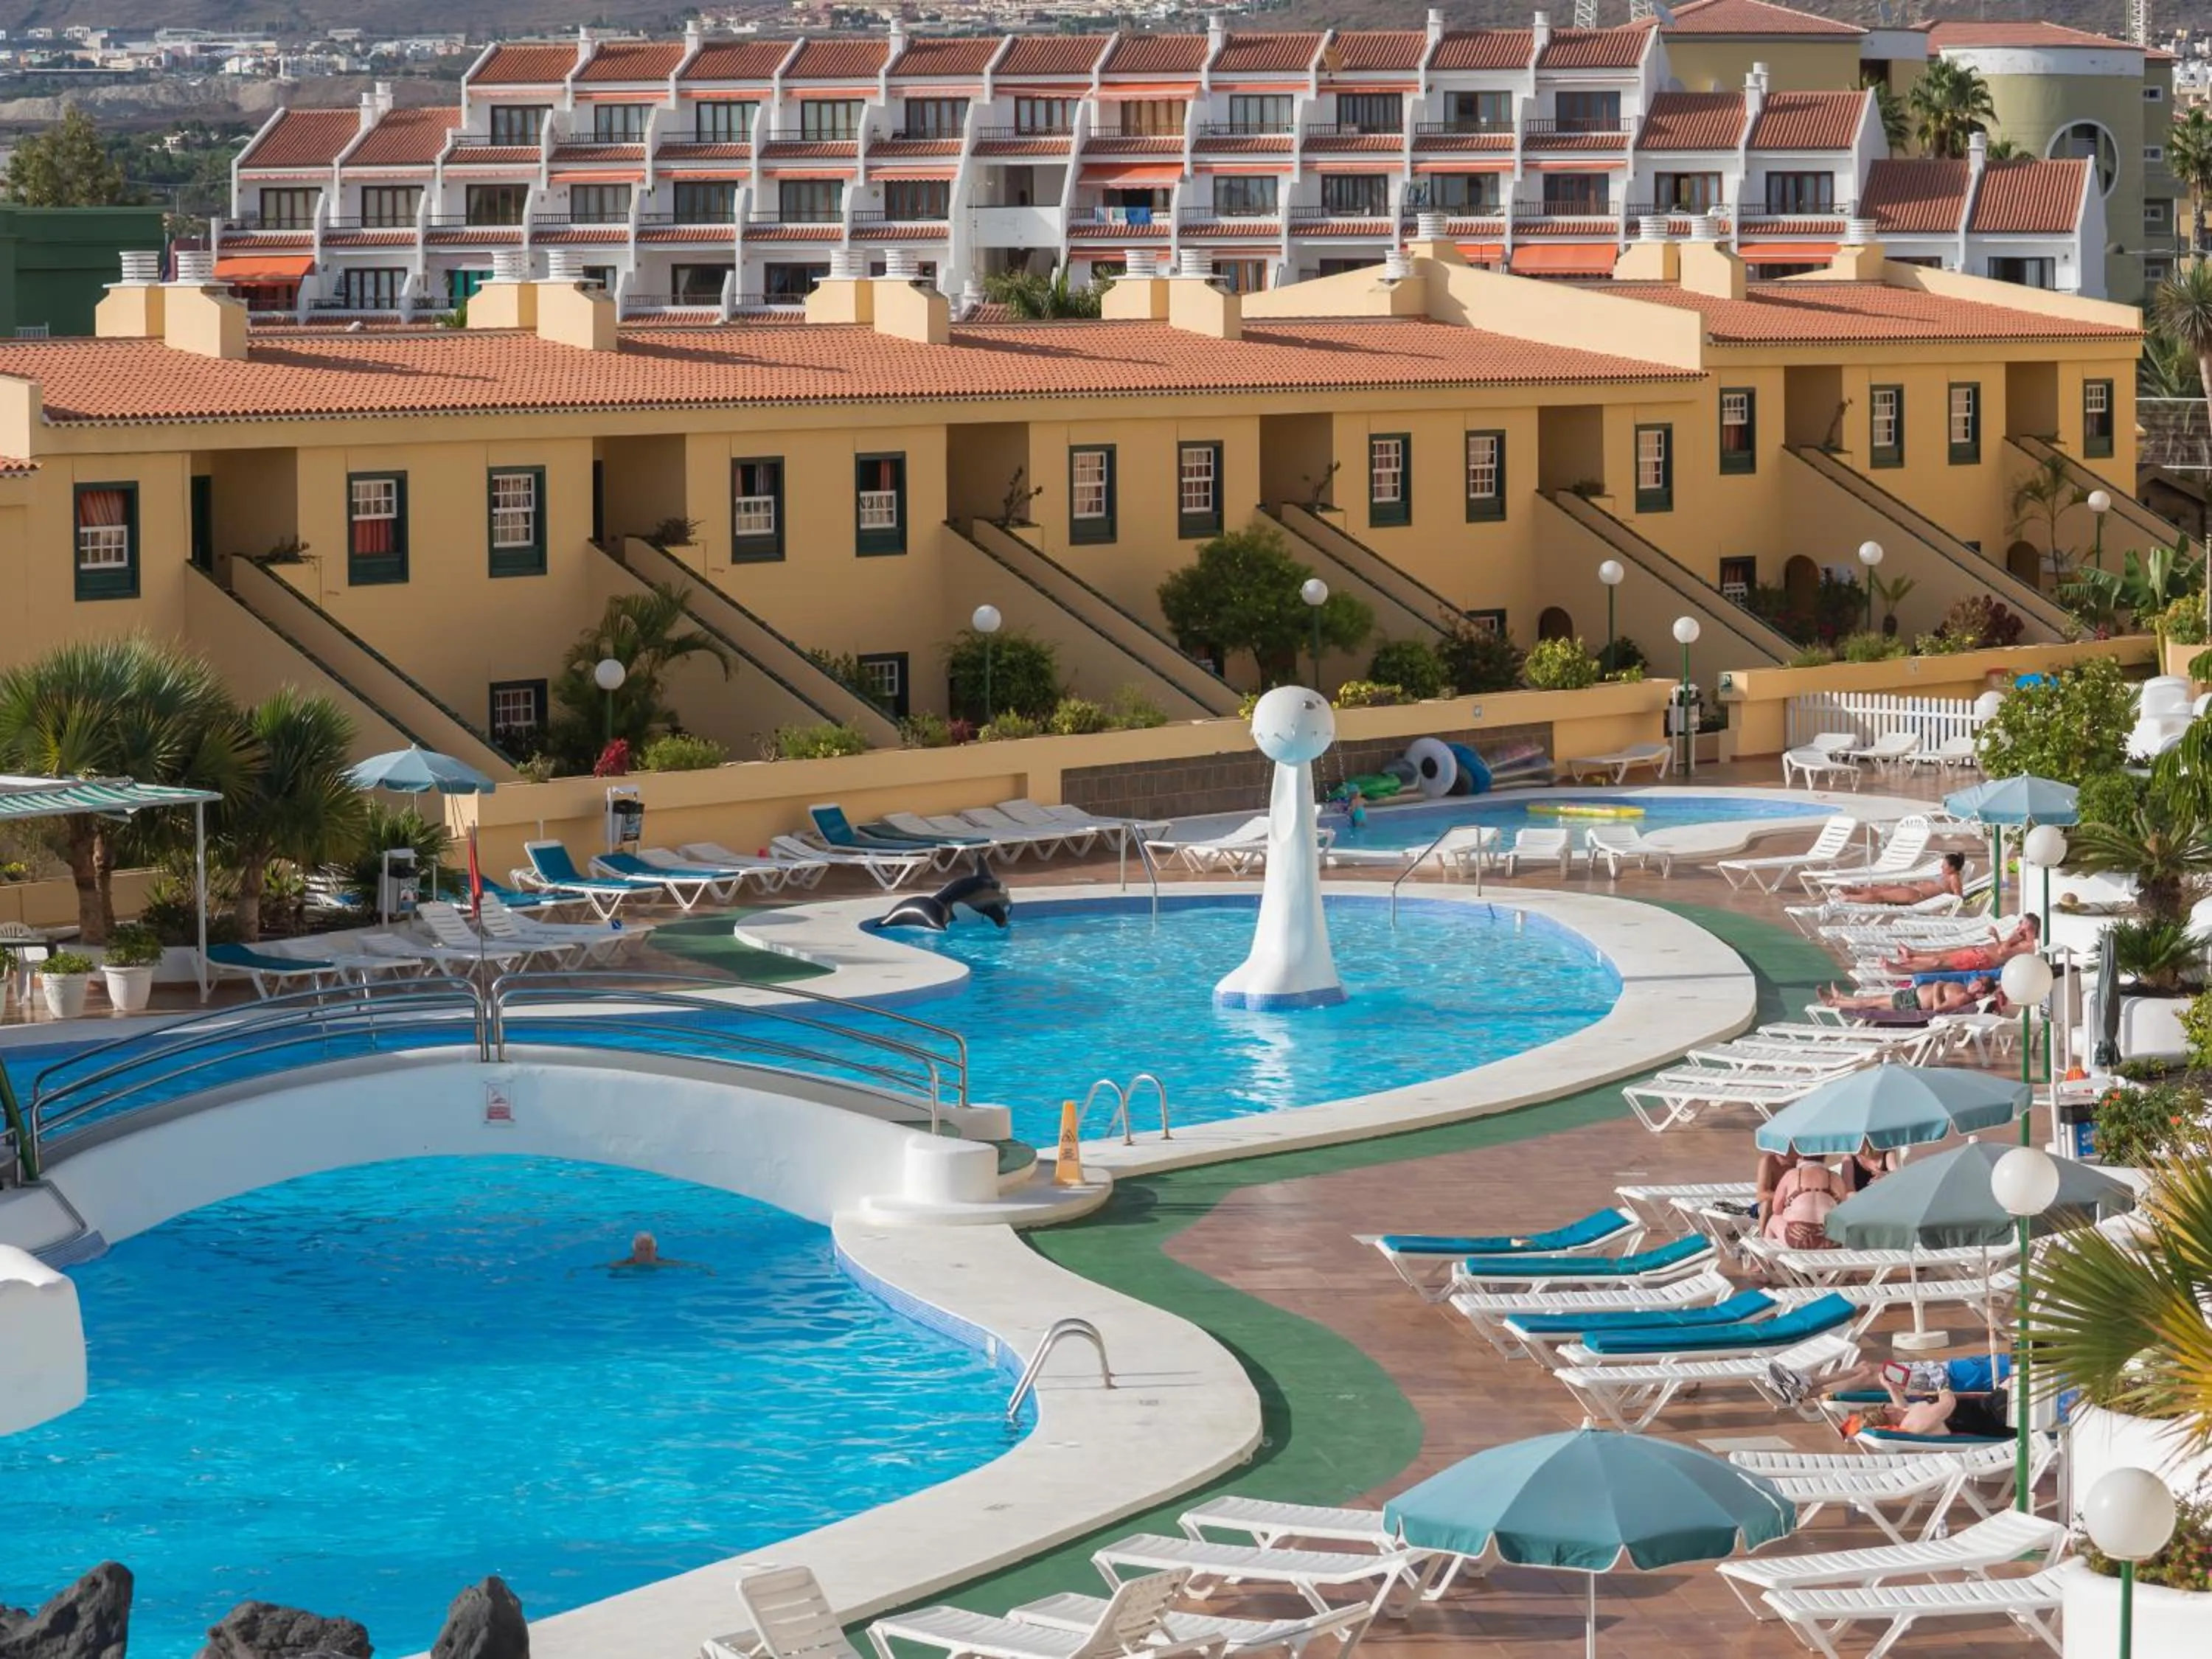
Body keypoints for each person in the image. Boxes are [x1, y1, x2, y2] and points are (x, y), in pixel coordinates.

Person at [1768, 1354, 2012, 1439]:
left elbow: (1902, 1411)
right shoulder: (2010, 1364)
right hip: (1936, 1374)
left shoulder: (2005, 1367)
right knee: (1869, 1368)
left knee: (1870, 1373)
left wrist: (1894, 1391)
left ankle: (1805, 1388)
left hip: (1935, 1376)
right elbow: (1902, 1411)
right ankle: (1806, 1384)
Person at [1882, 914, 2039, 974]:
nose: (2019, 927)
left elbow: (2002, 953)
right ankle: (1913, 954)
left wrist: (2008, 937)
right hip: (1979, 951)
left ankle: (1900, 970)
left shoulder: (2027, 946)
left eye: (2022, 924)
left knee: (1938, 963)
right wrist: (1999, 937)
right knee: (1942, 953)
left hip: (1981, 960)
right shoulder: (2022, 940)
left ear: (2030, 928)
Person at [1762, 1157, 1845, 1249]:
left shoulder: (1791, 1175)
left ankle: (1767, 1262)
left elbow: (1777, 1210)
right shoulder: (1836, 1177)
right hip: (1831, 1239)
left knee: (1773, 1219)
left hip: (1799, 1238)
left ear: (1800, 1156)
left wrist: (1790, 1211)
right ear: (1825, 1156)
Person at [1819, 975, 2001, 1015]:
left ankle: (1834, 1002)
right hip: (1912, 996)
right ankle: (1842, 998)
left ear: (1981, 992)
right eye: (1978, 978)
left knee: (1871, 1003)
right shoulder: (1963, 990)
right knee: (1873, 1000)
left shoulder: (1964, 997)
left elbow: (1938, 1008)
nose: (1975, 981)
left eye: (1980, 982)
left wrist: (1938, 988)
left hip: (1913, 1002)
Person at [1834, 852, 1967, 907]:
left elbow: (1958, 897)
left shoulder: (1954, 878)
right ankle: (1851, 890)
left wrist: (1945, 902)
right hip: (1912, 889)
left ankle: (1849, 898)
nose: (1941, 867)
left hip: (1917, 896)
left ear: (1953, 867)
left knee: (1881, 896)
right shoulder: (1946, 875)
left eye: (1944, 865)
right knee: (1879, 888)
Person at [605, 1231, 712, 1274]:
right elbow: (606, 1267)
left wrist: (708, 1271)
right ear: (633, 1251)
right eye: (640, 1250)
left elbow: (690, 1265)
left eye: (648, 1250)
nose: (644, 1254)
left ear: (655, 1251)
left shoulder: (662, 1263)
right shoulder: (625, 1264)